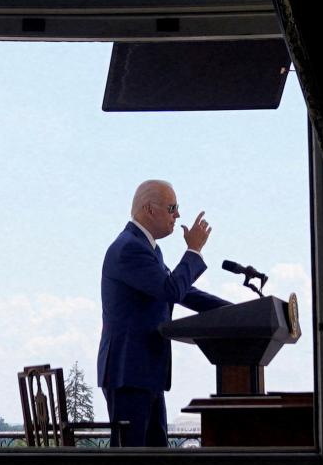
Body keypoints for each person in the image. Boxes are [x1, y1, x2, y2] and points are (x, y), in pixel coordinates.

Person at [98, 180, 231, 448]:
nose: (178, 215)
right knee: (133, 463)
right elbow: (171, 290)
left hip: (144, 371)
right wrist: (193, 250)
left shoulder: (149, 249)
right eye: (172, 208)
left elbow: (184, 292)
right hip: (130, 372)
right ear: (149, 209)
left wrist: (235, 311)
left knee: (157, 458)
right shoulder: (130, 248)